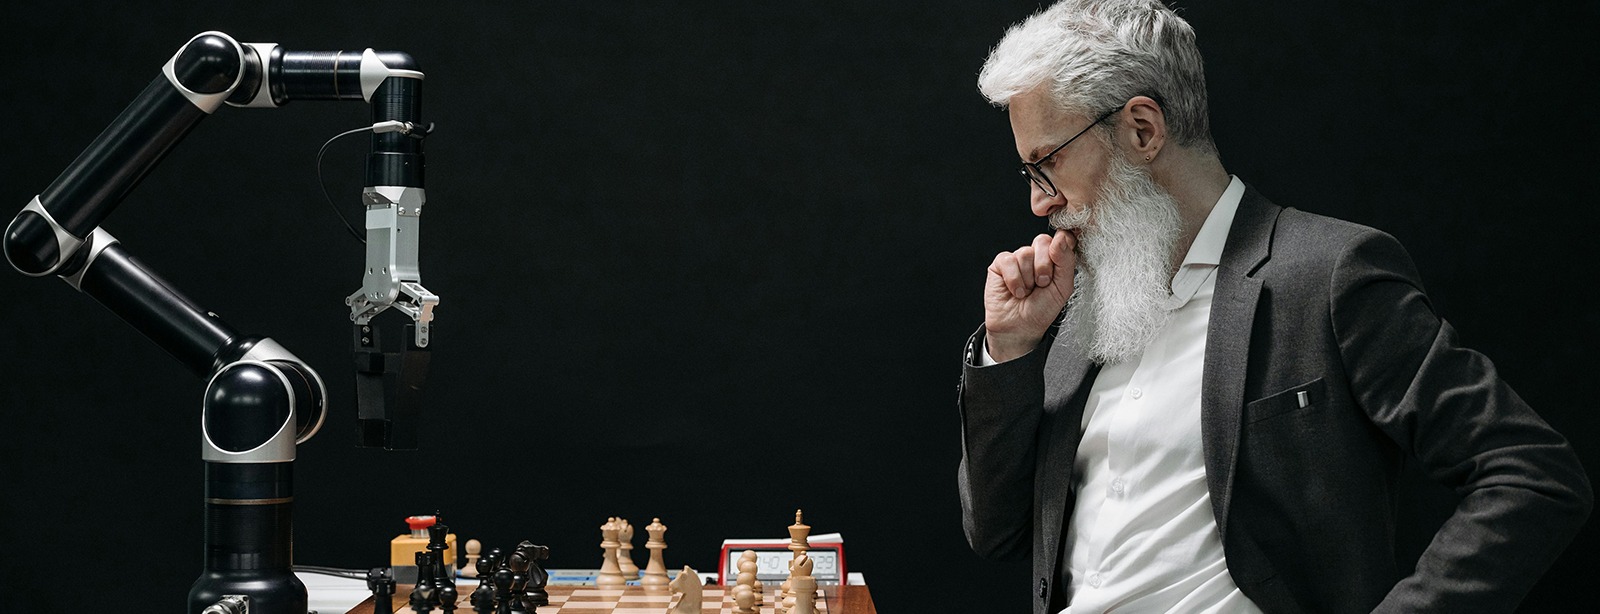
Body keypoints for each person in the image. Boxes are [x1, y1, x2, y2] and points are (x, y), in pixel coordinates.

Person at [954, 1, 1592, 613]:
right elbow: (998, 532)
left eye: (1047, 162)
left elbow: (1531, 474)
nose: (1039, 202)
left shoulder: (1330, 275)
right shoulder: (1082, 317)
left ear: (1143, 129)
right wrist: (1010, 351)